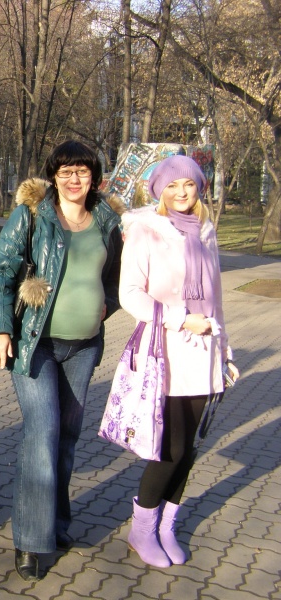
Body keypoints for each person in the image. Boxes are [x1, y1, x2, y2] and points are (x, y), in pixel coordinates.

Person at [0, 140, 124, 581]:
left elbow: (118, 276)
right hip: (35, 344)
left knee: (66, 438)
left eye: (82, 170)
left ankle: (56, 523)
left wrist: (108, 304)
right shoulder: (33, 215)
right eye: (65, 171)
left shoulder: (107, 220)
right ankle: (30, 539)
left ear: (94, 176)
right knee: (42, 433)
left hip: (84, 347)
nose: (74, 178)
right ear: (53, 176)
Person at [119, 154, 239, 568]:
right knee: (168, 447)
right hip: (166, 352)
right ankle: (141, 529)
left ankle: (166, 526)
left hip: (204, 355)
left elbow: (216, 297)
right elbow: (130, 294)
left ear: (199, 187)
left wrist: (225, 351)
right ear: (159, 190)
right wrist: (181, 318)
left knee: (188, 448)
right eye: (172, 185)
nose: (182, 192)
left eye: (189, 184)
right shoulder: (146, 230)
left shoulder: (205, 230)